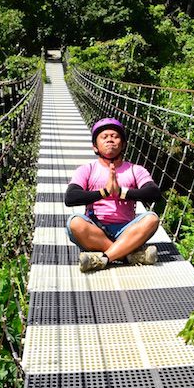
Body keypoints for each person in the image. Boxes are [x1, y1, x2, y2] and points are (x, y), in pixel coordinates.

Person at [65, 117, 162, 273]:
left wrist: (121, 192)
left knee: (152, 219)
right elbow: (70, 198)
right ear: (95, 147)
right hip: (97, 230)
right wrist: (104, 192)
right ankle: (128, 254)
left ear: (123, 145)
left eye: (115, 136)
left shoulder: (135, 170)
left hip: (127, 230)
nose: (110, 139)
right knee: (75, 223)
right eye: (104, 137)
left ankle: (103, 258)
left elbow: (154, 194)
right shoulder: (86, 170)